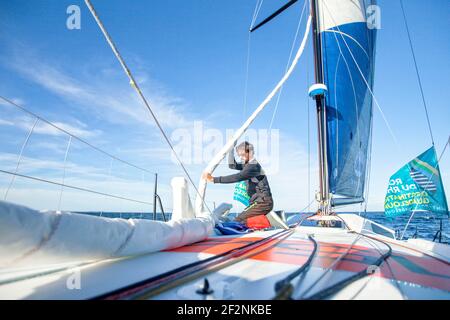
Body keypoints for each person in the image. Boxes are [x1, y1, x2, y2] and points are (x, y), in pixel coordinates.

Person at [203, 141, 273, 225]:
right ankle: (258, 224)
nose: (241, 158)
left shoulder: (253, 166)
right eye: (240, 156)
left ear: (250, 152)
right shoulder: (247, 164)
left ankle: (263, 223)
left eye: (243, 155)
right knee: (239, 220)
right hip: (257, 203)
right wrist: (231, 149)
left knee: (238, 221)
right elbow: (232, 165)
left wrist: (214, 179)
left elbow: (238, 177)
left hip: (263, 203)